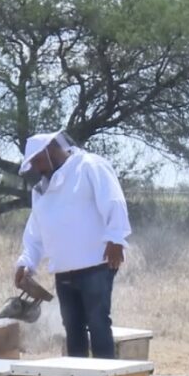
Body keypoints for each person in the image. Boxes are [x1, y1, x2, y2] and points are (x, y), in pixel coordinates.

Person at [14, 131, 131, 359]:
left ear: (50, 149)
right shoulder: (41, 190)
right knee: (72, 328)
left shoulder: (90, 165)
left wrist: (117, 238)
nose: (37, 168)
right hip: (63, 269)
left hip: (96, 263)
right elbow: (36, 232)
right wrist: (26, 262)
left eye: (37, 160)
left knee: (98, 324)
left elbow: (114, 200)